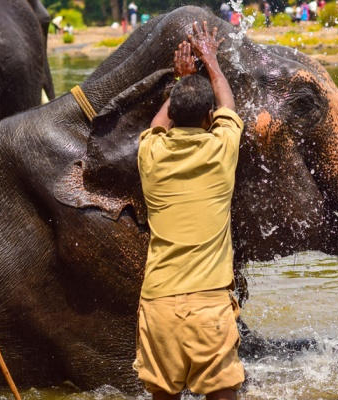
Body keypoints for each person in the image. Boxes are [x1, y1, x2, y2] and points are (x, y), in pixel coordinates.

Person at [134, 21, 245, 400]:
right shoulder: (221, 151)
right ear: (207, 121)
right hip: (208, 308)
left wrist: (181, 82)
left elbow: (157, 124)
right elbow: (228, 106)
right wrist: (210, 62)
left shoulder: (150, 155)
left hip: (159, 305)